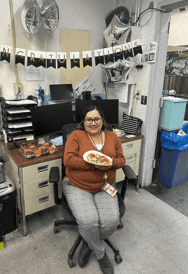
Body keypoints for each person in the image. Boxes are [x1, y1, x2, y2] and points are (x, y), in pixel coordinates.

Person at [63, 105, 125, 274]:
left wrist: (112, 163)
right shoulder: (76, 136)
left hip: (104, 186)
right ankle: (101, 254)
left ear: (102, 120)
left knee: (112, 222)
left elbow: (121, 159)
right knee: (89, 221)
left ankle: (88, 242)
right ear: (83, 122)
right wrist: (94, 164)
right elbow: (68, 160)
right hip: (77, 185)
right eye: (89, 119)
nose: (93, 123)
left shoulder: (112, 137)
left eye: (96, 119)